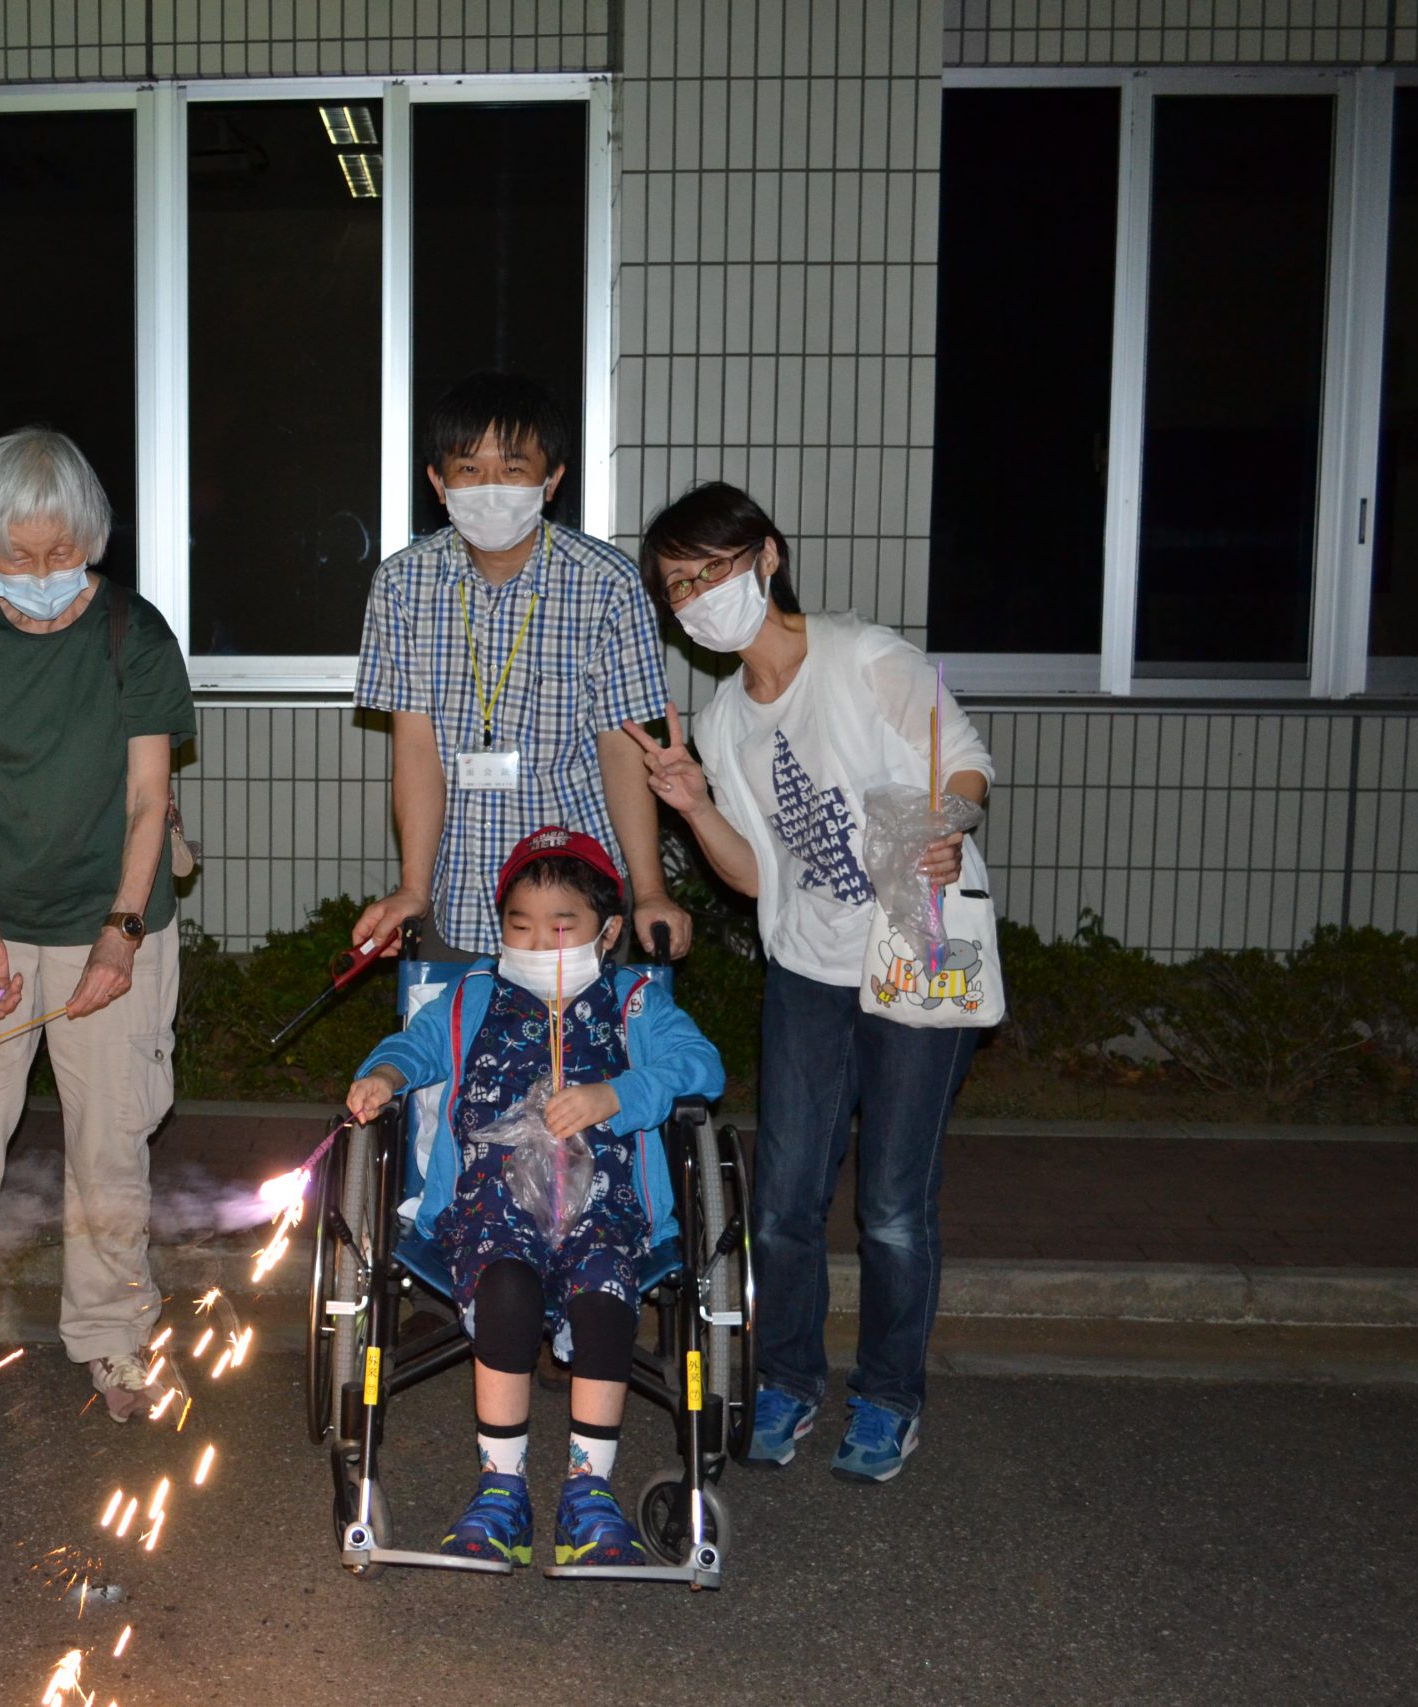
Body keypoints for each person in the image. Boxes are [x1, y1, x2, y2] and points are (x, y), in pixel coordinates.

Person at [628, 480, 994, 1484]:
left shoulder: (864, 654)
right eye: (678, 586)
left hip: (915, 952)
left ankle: (886, 1400)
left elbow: (963, 763)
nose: (699, 595)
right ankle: (787, 1380)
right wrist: (695, 805)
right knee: (785, 1200)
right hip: (806, 969)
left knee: (890, 1204)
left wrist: (947, 831)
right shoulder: (719, 718)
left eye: (711, 570)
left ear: (767, 556)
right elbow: (756, 876)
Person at [0, 428, 197, 1436]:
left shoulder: (134, 636)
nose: (40, 574)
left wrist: (119, 935)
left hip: (113, 921)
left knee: (109, 1149)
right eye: (16, 556)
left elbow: (150, 800)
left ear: (91, 538)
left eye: (60, 551)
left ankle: (112, 1338)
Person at [346, 827, 725, 1567]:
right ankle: (501, 1488)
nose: (539, 941)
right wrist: (383, 1076)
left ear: (607, 931)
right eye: (519, 925)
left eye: (562, 926)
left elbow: (701, 1067)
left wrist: (616, 1093)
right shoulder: (471, 997)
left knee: (605, 1293)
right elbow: (411, 1046)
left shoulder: (633, 1002)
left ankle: (589, 1491)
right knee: (506, 1289)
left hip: (605, 1207)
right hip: (491, 1207)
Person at [352, 370, 691, 965]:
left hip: (576, 908)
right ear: (438, 481)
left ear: (551, 479)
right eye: (468, 469)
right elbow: (414, 747)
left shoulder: (606, 584)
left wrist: (652, 891)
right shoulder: (402, 586)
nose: (490, 487)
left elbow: (622, 747)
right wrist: (413, 887)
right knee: (451, 1054)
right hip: (456, 896)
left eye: (513, 469)